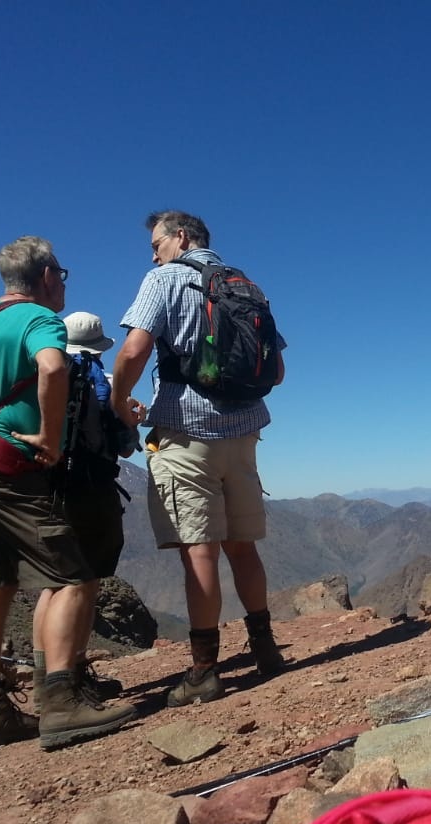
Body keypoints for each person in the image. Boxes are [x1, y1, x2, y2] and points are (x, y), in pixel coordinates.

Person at [0, 237, 136, 752]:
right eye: (63, 275)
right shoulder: (38, 319)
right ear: (48, 275)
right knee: (72, 575)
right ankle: (61, 703)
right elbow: (52, 367)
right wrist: (50, 438)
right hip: (11, 466)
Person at [110, 210, 287, 708]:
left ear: (181, 238)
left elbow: (133, 350)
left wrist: (119, 402)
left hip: (186, 433)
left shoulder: (164, 279)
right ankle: (266, 649)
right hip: (246, 431)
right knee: (243, 546)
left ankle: (205, 671)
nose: (153, 253)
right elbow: (277, 372)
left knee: (200, 550)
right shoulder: (248, 286)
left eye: (157, 243)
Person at [31, 312, 140, 705]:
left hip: (46, 489)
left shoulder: (44, 375)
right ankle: (71, 674)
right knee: (83, 583)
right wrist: (133, 419)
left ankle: (44, 676)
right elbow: (125, 445)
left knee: (54, 583)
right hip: (92, 489)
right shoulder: (104, 385)